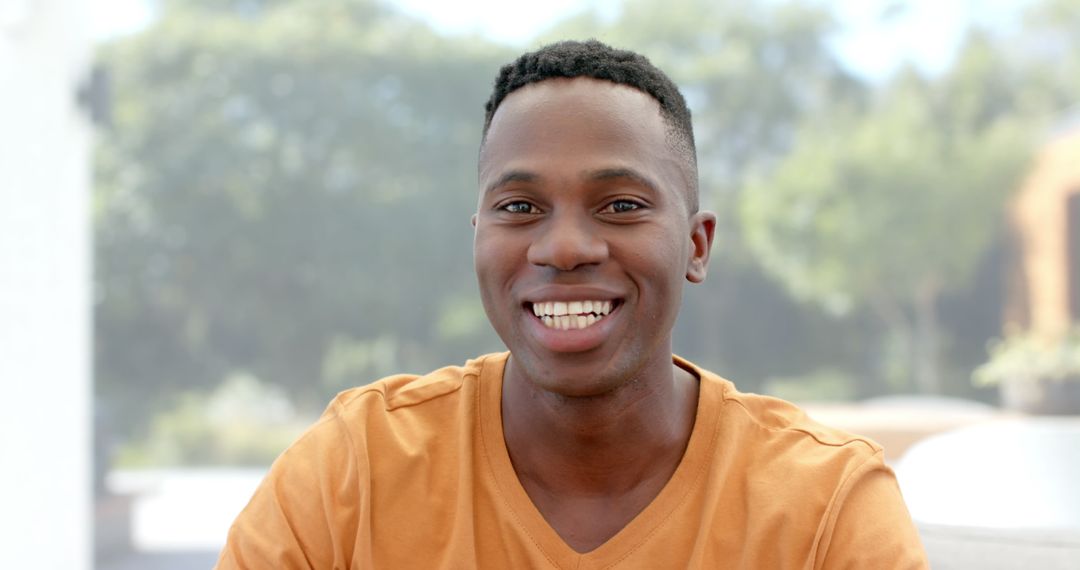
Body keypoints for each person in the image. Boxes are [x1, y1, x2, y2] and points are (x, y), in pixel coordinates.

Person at [216, 39, 928, 569]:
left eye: (620, 205)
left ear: (697, 245)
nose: (562, 247)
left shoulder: (827, 508)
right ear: (478, 239)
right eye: (520, 206)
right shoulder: (355, 473)